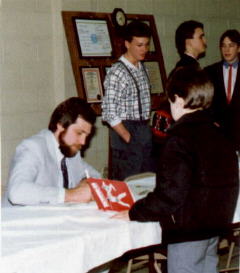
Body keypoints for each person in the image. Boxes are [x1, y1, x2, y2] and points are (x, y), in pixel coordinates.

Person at [112, 67, 239, 273]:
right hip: (216, 226)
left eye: (171, 101)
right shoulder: (219, 133)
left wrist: (134, 212)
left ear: (178, 99)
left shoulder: (180, 139)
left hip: (188, 231)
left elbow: (170, 194)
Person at [7, 97, 101, 206]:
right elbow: (16, 192)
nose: (83, 142)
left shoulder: (70, 150)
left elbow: (94, 175)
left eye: (86, 136)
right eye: (79, 133)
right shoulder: (32, 148)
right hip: (21, 220)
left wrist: (85, 182)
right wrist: (70, 195)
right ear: (60, 125)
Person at [102, 20, 154, 181]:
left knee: (146, 183)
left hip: (143, 131)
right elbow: (109, 112)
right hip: (126, 135)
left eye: (146, 45)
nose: (144, 49)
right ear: (127, 44)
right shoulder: (117, 72)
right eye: (139, 45)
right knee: (128, 186)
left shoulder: (142, 67)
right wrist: (129, 138)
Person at [205, 29, 240, 152]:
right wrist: (211, 120)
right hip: (218, 131)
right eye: (223, 46)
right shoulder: (210, 71)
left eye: (231, 45)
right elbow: (205, 101)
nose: (227, 50)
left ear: (239, 48)